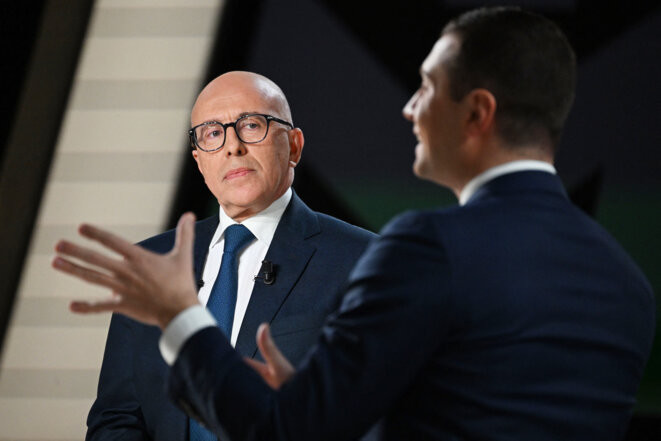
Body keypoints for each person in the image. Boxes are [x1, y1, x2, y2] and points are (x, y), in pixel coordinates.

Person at [53, 7, 656, 441]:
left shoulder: (423, 247)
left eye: (425, 87)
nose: (409, 107)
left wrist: (179, 318)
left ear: (476, 112)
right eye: (213, 134)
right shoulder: (630, 285)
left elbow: (285, 430)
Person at [77, 71, 376, 440]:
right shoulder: (150, 264)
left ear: (294, 146)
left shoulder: (366, 261)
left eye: (252, 125)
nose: (232, 146)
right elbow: (116, 419)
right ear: (200, 160)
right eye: (213, 133)